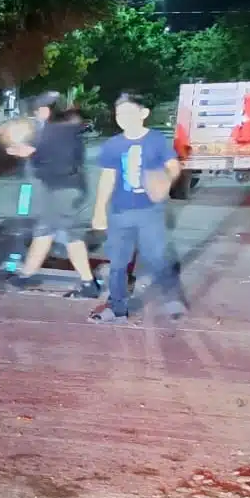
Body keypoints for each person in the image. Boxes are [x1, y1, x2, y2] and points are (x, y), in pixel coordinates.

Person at [89, 91, 187, 324]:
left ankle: (173, 298)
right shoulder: (113, 145)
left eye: (129, 112)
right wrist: (99, 210)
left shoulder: (155, 140)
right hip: (120, 212)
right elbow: (107, 179)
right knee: (117, 263)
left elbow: (173, 166)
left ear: (143, 113)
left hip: (150, 212)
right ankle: (117, 308)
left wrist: (164, 180)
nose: (123, 117)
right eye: (119, 113)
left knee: (158, 258)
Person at [5, 93, 99, 298]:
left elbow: (31, 150)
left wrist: (17, 150)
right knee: (49, 232)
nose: (37, 115)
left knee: (61, 234)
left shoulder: (51, 130)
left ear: (46, 110)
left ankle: (88, 283)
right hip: (66, 189)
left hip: (60, 191)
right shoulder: (67, 130)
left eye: (38, 111)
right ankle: (27, 275)